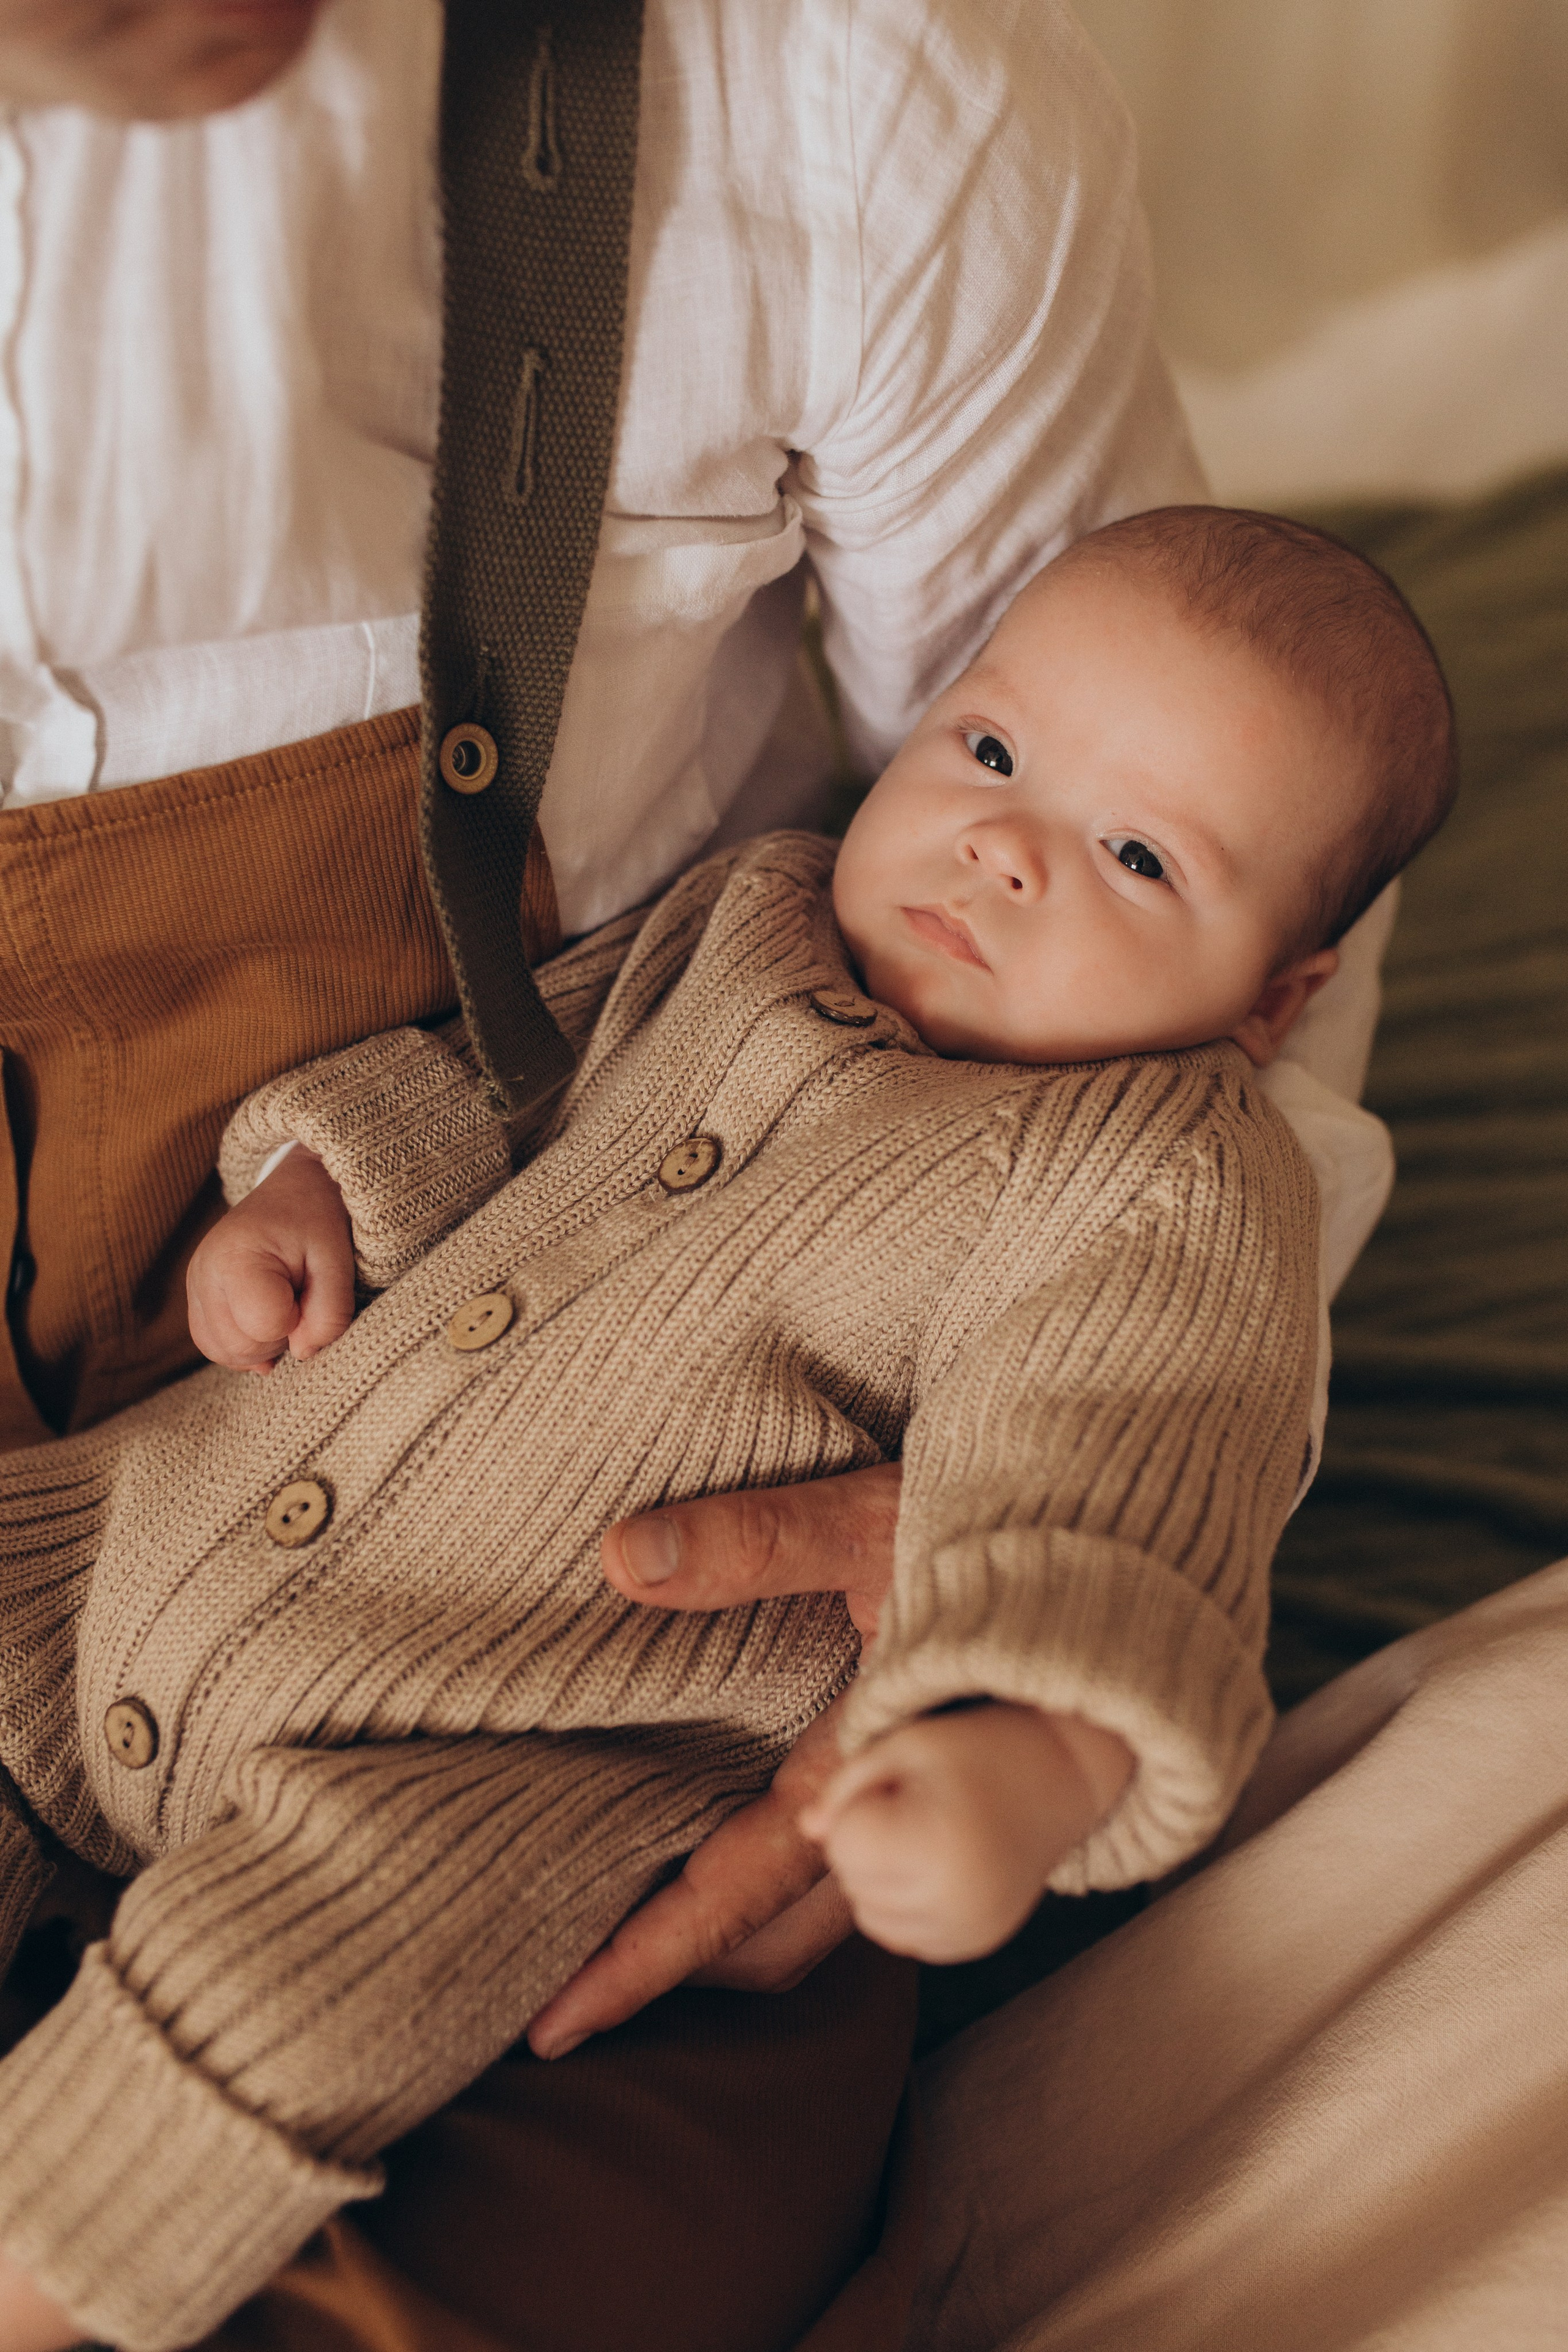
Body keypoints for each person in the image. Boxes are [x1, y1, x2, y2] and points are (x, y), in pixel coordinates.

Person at [0, 3, 1396, 2346]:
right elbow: (508, 1095)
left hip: (502, 1711)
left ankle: (50, 2259)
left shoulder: (1161, 1175)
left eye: (1134, 856)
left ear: (1251, 993)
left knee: (330, 1990)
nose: (1005, 856)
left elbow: (1132, 1491)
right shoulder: (756, 931)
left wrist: (1007, 1752)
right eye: (984, 755)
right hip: (185, 1495)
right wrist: (324, 1180)